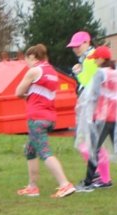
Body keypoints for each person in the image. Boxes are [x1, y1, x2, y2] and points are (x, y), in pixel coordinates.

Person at [74, 46, 117, 193]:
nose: (94, 62)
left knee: (94, 148)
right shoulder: (116, 71)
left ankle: (87, 183)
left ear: (101, 59)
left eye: (95, 59)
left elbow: (94, 95)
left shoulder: (101, 73)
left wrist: (89, 114)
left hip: (105, 116)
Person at [14, 44, 79, 198]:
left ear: (32, 57)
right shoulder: (52, 71)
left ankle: (64, 184)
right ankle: (32, 187)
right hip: (50, 117)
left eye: (26, 60)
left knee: (44, 152)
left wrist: (27, 94)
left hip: (36, 117)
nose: (26, 64)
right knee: (30, 150)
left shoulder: (34, 71)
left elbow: (18, 92)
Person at [68, 31, 113, 186]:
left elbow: (88, 83)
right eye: (73, 46)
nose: (75, 49)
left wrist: (78, 72)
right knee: (91, 142)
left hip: (93, 106)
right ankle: (100, 176)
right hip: (93, 105)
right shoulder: (88, 58)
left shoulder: (90, 59)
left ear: (87, 42)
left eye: (78, 45)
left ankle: (102, 177)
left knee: (89, 142)